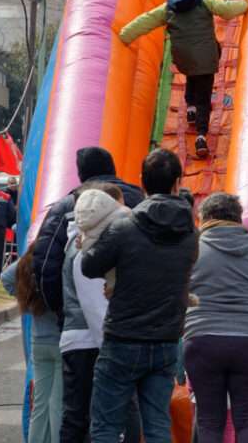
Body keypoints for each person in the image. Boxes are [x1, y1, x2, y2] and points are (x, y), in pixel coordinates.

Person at [81, 149, 198, 443]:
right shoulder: (190, 233)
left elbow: (89, 265)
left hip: (124, 335)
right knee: (158, 423)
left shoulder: (125, 227)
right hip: (166, 340)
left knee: (107, 426)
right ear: (177, 183)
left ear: (143, 183)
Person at [119, 0, 248, 157]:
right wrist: (245, 4)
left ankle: (190, 108)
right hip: (206, 59)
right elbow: (226, 10)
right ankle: (201, 135)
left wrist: (125, 35)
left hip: (184, 59)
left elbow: (145, 21)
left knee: (191, 74)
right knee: (204, 94)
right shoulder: (204, 0)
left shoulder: (168, 7)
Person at [185, 193, 248, 443]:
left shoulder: (193, 249)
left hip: (203, 339)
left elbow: (179, 295)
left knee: (209, 420)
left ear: (204, 219)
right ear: (238, 219)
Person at [32, 147, 144, 334]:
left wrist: (61, 308)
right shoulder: (140, 201)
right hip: (131, 314)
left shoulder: (66, 206)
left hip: (79, 324)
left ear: (80, 173)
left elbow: (45, 263)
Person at [59, 183, 139, 443]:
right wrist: (114, 347)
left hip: (79, 338)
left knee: (78, 417)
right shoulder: (88, 251)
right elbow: (96, 308)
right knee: (98, 418)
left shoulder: (77, 243)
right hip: (93, 341)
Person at [2, 245, 64, 443]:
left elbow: (6, 278)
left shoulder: (32, 257)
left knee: (40, 404)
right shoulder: (61, 255)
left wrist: (26, 301)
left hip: (38, 338)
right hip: (61, 338)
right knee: (57, 404)